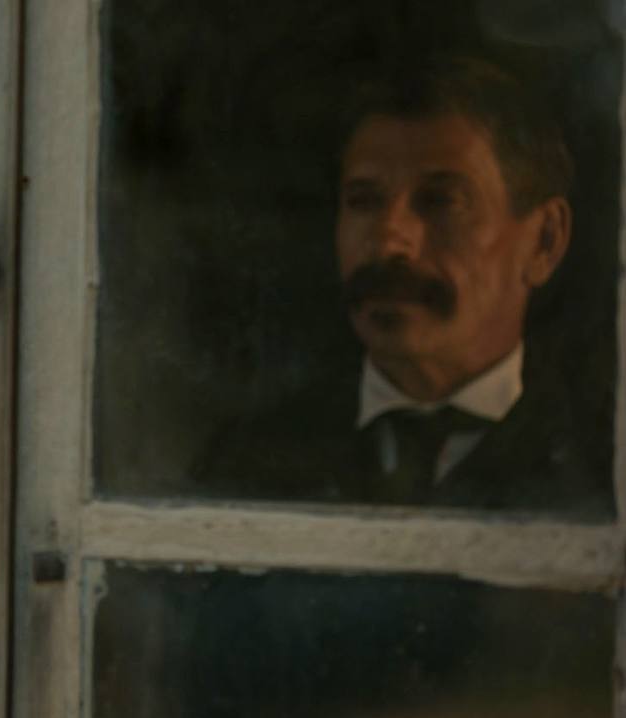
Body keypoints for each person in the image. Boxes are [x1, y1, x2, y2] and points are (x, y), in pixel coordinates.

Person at [194, 54, 612, 516]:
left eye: (441, 201)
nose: (390, 240)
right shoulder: (247, 462)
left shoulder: (604, 464)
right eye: (364, 201)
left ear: (544, 242)